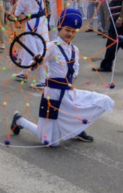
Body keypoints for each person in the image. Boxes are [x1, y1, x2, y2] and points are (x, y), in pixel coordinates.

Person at [11, 8, 114, 146]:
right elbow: (34, 64)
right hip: (52, 95)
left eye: (73, 31)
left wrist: (72, 80)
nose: (70, 33)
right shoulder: (51, 47)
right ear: (59, 27)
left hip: (68, 93)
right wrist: (36, 62)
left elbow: (75, 69)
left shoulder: (74, 50)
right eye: (67, 29)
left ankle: (76, 129)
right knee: (50, 142)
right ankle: (19, 120)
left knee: (101, 101)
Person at [11, 0, 49, 89]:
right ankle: (24, 72)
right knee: (29, 47)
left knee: (37, 51)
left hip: (35, 24)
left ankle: (42, 80)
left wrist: (14, 16)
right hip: (39, 21)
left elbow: (19, 10)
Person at [92, 0, 123, 72]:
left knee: (113, 41)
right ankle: (106, 65)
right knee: (114, 41)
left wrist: (120, 17)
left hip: (119, 19)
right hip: (115, 17)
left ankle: (106, 65)